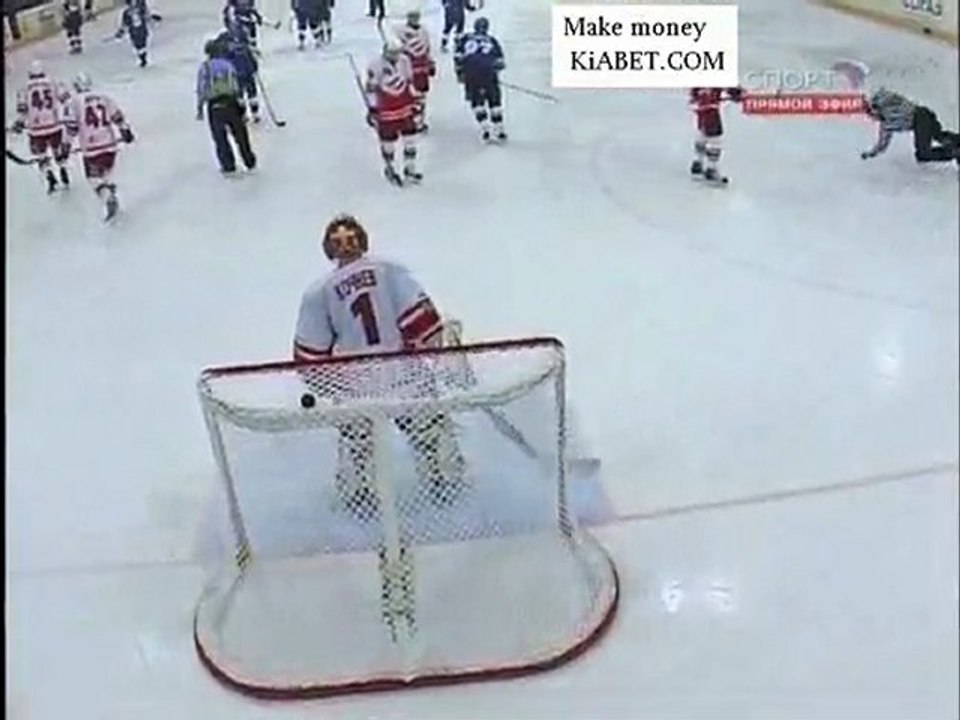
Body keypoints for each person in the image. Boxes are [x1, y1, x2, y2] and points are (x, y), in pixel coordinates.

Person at [292, 214, 463, 509]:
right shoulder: (389, 270)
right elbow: (425, 323)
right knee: (432, 441)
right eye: (339, 241)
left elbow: (310, 358)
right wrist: (427, 345)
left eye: (349, 239)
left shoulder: (319, 291)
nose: (345, 246)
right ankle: (446, 493)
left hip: (357, 387)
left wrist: (334, 385)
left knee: (358, 454)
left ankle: (361, 502)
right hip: (405, 374)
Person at [63, 72, 135, 221]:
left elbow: (71, 128)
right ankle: (111, 196)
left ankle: (108, 197)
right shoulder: (104, 97)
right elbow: (118, 117)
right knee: (106, 175)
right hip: (110, 144)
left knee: (93, 179)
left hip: (91, 148)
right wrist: (126, 131)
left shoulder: (74, 102)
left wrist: (65, 146)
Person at [195, 37, 257, 175]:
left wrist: (200, 108)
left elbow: (201, 89)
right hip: (231, 102)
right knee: (240, 134)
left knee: (220, 137)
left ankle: (228, 165)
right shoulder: (228, 65)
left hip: (214, 105)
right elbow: (235, 84)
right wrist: (241, 104)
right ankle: (249, 160)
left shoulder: (205, 67)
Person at [365, 38, 422, 186]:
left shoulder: (404, 61)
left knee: (410, 139)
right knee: (388, 142)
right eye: (391, 53)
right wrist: (372, 108)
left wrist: (416, 100)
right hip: (386, 110)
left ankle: (410, 168)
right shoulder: (375, 65)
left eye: (396, 53)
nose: (394, 56)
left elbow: (409, 82)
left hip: (405, 106)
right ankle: (389, 167)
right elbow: (371, 89)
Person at [12, 61, 73, 194]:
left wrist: (19, 124)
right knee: (57, 150)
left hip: (36, 128)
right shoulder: (54, 83)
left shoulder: (23, 88)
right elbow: (67, 101)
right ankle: (62, 166)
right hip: (54, 124)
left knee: (41, 155)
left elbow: (23, 111)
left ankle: (49, 174)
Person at [860, 87, 960, 165]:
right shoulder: (886, 126)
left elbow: (884, 94)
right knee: (939, 136)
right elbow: (882, 145)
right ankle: (956, 145)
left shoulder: (887, 106)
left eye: (872, 113)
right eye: (871, 117)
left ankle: (955, 153)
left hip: (919, 115)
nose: (874, 117)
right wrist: (870, 154)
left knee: (923, 154)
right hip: (921, 118)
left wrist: (871, 102)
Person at [454, 16, 505, 143]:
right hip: (489, 75)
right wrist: (495, 68)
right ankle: (499, 130)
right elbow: (500, 62)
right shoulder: (492, 40)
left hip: (471, 75)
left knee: (477, 102)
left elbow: (458, 57)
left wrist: (460, 74)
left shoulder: (465, 39)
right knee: (495, 102)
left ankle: (485, 129)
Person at [689, 86, 742, 185]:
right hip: (709, 107)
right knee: (715, 137)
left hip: (701, 106)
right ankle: (711, 168)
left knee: (703, 132)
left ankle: (698, 163)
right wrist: (736, 93)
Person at [395, 8, 435, 133]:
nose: (414, 19)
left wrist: (431, 64)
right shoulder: (401, 33)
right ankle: (407, 120)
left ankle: (418, 121)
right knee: (407, 96)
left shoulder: (423, 32)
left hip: (422, 70)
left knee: (420, 97)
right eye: (412, 17)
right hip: (407, 70)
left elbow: (427, 49)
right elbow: (396, 52)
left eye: (416, 17)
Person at [216, 24, 260, 123]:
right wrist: (254, 68)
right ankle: (254, 114)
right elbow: (251, 59)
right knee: (251, 94)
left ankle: (244, 115)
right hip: (247, 73)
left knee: (240, 96)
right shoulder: (244, 44)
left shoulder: (225, 44)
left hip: (237, 75)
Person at [115, 0, 150, 67]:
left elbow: (146, 15)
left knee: (142, 44)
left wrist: (151, 19)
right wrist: (120, 32)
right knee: (137, 45)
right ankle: (142, 57)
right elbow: (125, 24)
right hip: (134, 31)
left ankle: (143, 57)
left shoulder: (141, 8)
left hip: (141, 29)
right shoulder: (127, 13)